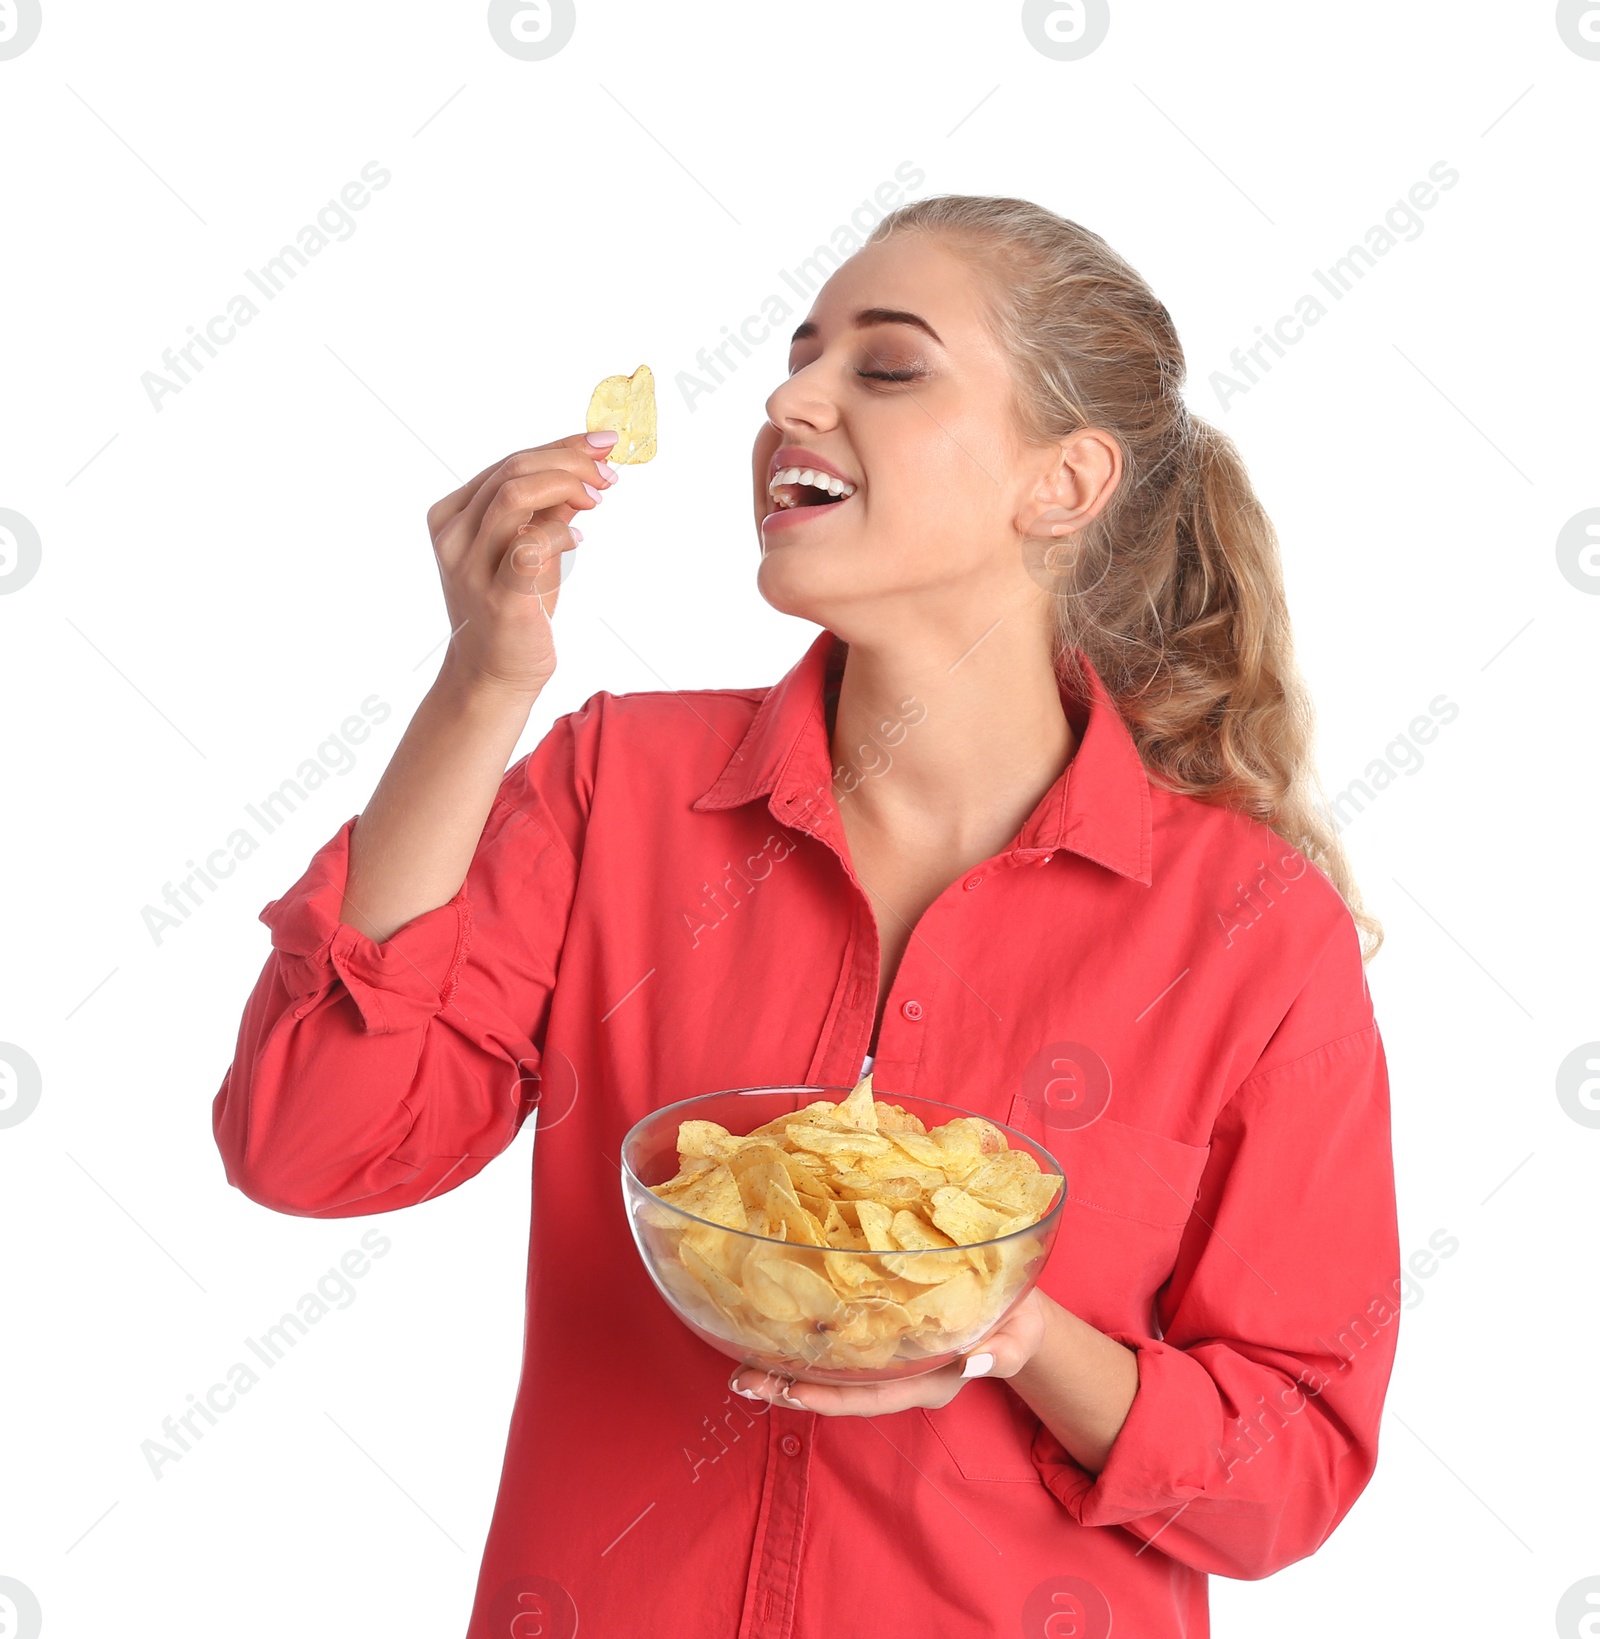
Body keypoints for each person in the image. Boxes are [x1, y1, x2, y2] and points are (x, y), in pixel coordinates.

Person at [213, 194, 1400, 1639]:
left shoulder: (1250, 928)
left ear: (1064, 481)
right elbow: (310, 1145)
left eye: (885, 368)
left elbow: (1288, 1473)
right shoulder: (618, 788)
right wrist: (481, 686)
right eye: (798, 356)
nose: (788, 398)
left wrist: (1015, 1337)